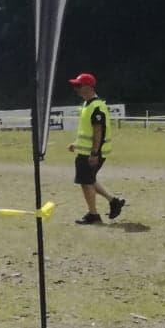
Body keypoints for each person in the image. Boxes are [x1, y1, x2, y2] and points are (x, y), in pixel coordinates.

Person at [66, 73, 127, 224]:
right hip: (86, 151)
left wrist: (94, 153)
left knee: (86, 182)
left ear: (89, 87)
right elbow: (86, 130)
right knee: (89, 180)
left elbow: (98, 131)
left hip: (90, 153)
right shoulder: (87, 105)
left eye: (79, 85)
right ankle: (114, 201)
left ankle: (93, 215)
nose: (76, 88)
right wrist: (77, 144)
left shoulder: (96, 106)